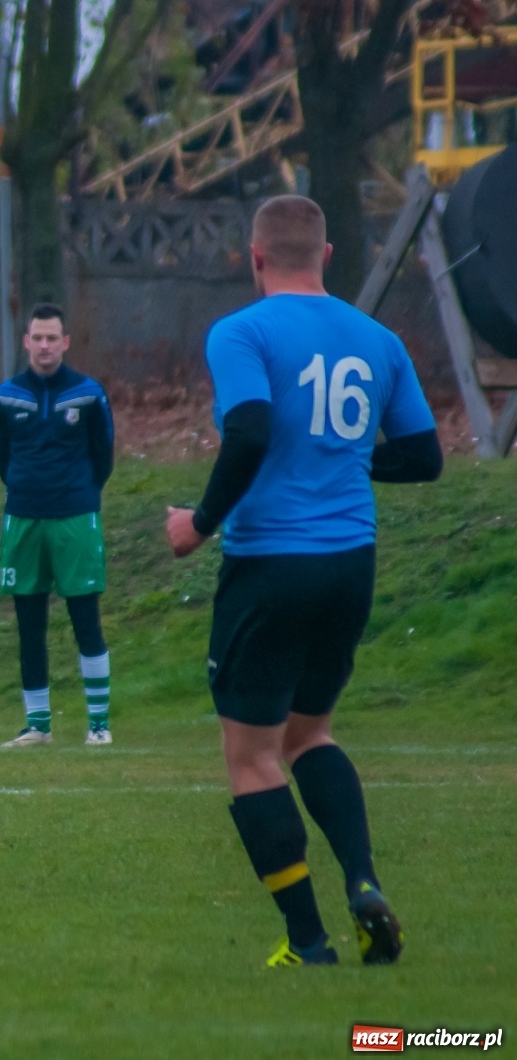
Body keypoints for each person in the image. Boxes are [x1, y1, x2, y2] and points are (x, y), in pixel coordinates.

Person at [165, 195, 441, 967]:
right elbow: (423, 458)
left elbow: (249, 429)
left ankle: (308, 942)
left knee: (252, 756)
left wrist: (200, 523)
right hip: (350, 563)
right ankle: (362, 883)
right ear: (325, 257)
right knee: (308, 734)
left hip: (271, 565)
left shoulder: (242, 332)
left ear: (254, 259)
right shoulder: (377, 338)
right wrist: (344, 461)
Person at [0, 303, 116, 748]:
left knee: (86, 619)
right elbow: (3, 458)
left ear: (65, 342)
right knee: (29, 623)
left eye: (51, 338)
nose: (44, 346)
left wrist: (78, 492)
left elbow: (104, 457)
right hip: (23, 518)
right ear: (26, 342)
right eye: (36, 338)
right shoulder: (3, 398)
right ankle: (37, 725)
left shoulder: (88, 394)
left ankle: (98, 725)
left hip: (75, 517)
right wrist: (28, 490)